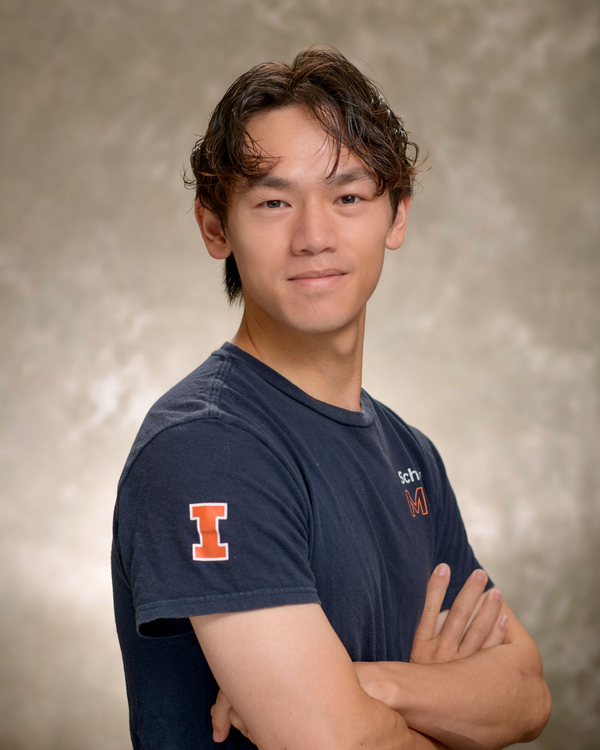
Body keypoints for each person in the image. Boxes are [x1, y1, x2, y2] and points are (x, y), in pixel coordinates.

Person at [111, 44, 552, 749]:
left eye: (348, 197)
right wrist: (445, 716)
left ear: (396, 217)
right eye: (274, 202)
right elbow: (333, 743)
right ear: (215, 227)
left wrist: (376, 687)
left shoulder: (410, 454)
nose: (314, 237)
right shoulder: (204, 448)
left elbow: (527, 694)